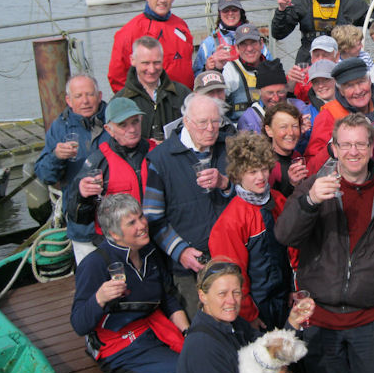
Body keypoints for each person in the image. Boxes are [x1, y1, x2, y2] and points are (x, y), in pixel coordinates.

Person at [275, 113, 374, 373]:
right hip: (321, 319)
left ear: (372, 148)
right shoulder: (313, 187)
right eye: (345, 144)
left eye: (360, 144)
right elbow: (285, 235)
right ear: (334, 148)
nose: (353, 152)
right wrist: (309, 203)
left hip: (371, 318)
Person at [71, 193, 189, 373]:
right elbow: (79, 324)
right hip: (120, 347)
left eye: (141, 217)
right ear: (115, 234)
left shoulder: (149, 251)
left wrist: (189, 334)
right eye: (132, 222)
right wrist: (98, 298)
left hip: (152, 329)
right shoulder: (95, 264)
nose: (142, 225)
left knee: (207, 358)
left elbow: (167, 297)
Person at [176, 260, 319, 373]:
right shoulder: (202, 347)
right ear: (202, 295)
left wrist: (293, 322)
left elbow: (269, 349)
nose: (231, 301)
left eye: (236, 292)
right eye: (222, 293)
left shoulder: (233, 323)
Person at [144, 94, 233, 319]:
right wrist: (179, 250)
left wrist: (225, 183)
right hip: (189, 264)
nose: (211, 128)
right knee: (200, 328)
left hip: (228, 254)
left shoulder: (229, 148)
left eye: (216, 122)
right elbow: (153, 217)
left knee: (234, 321)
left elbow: (251, 194)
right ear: (186, 122)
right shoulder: (161, 159)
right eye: (203, 123)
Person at [208, 132, 291, 330]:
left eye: (264, 169)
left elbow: (293, 252)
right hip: (258, 309)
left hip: (285, 300)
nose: (261, 177)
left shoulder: (279, 201)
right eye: (252, 172)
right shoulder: (230, 221)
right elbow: (230, 276)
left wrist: (294, 289)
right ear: (238, 174)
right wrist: (249, 315)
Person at [35, 74, 107, 264]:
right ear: (69, 100)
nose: (85, 101)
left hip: (115, 217)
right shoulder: (60, 128)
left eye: (90, 94)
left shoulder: (114, 120)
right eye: (78, 96)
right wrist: (56, 157)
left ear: (99, 95)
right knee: (91, 278)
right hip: (82, 221)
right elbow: (45, 175)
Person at [67, 98, 156, 245]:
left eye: (135, 121)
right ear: (109, 130)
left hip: (155, 237)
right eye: (123, 125)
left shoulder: (157, 152)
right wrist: (82, 196)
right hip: (115, 245)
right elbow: (78, 217)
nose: (132, 129)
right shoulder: (97, 162)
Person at [108, 0, 194, 92]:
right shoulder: (129, 31)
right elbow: (117, 76)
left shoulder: (181, 25)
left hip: (183, 100)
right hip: (152, 105)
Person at [304, 58, 374, 172]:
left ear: (369, 81)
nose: (358, 91)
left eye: (361, 81)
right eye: (349, 86)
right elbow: (310, 167)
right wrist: (331, 149)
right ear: (340, 91)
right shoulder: (329, 115)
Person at [114, 36, 191, 141]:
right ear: (132, 60)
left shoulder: (183, 94)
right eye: (145, 63)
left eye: (156, 63)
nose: (152, 69)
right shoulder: (119, 102)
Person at [193, 0, 273, 75]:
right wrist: (207, 69)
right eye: (226, 10)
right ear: (219, 13)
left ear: (240, 12)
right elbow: (197, 77)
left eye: (234, 10)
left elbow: (272, 67)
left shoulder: (255, 38)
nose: (230, 13)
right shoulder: (208, 43)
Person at [237, 59, 311, 139]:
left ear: (287, 89)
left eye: (280, 92)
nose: (276, 99)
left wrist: (303, 133)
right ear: (259, 92)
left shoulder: (300, 107)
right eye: (270, 93)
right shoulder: (250, 118)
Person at [162, 70, 237, 140]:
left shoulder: (226, 122)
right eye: (210, 92)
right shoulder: (187, 126)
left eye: (219, 91)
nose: (216, 97)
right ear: (196, 95)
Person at [223, 24, 269, 122]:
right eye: (243, 44)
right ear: (237, 48)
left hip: (269, 127)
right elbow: (215, 102)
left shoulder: (272, 67)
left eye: (253, 43)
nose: (249, 49)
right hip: (239, 130)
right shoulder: (229, 70)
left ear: (261, 43)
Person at [264, 103, 308, 197]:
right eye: (283, 127)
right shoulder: (264, 165)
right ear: (269, 131)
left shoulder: (297, 156)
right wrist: (291, 185)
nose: (291, 132)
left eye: (295, 126)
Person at [287, 36, 340, 104]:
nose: (320, 59)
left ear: (337, 56)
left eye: (325, 55)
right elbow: (290, 103)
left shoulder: (344, 75)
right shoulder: (301, 76)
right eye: (316, 55)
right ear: (311, 58)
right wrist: (290, 84)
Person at [305, 59, 337, 125]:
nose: (321, 85)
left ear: (336, 79)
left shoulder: (351, 104)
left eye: (326, 79)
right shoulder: (307, 113)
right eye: (315, 82)